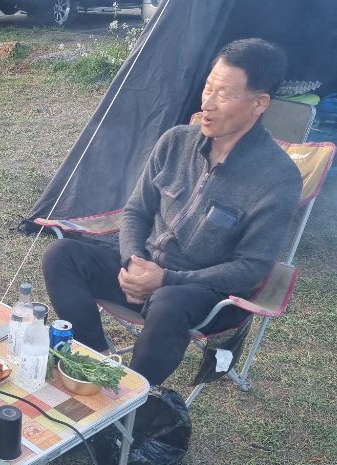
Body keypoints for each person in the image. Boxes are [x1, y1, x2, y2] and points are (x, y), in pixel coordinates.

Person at [42, 38, 302, 388]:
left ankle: (130, 399)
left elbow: (250, 268)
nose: (206, 104)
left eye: (224, 95)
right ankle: (94, 360)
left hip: (202, 294)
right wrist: (133, 262)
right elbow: (136, 211)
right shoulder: (177, 141)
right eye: (207, 88)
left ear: (259, 103)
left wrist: (166, 280)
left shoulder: (278, 178)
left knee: (168, 303)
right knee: (62, 254)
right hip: (143, 271)